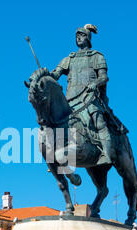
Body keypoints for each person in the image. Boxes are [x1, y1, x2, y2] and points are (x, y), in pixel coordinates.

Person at [50, 24, 128, 165]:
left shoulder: (97, 56)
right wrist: (46, 76)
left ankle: (106, 154)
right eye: (76, 36)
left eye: (81, 35)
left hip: (89, 98)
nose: (78, 38)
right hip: (70, 101)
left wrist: (95, 83)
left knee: (98, 121)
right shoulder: (69, 59)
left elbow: (104, 77)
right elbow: (56, 74)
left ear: (88, 38)